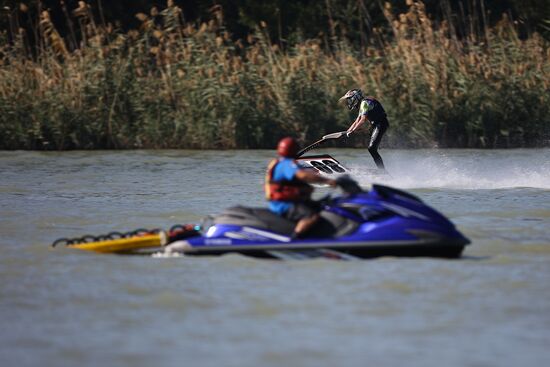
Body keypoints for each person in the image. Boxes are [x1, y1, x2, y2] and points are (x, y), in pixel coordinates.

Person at [265, 137, 337, 238]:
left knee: (324, 206)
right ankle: (294, 241)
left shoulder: (281, 163)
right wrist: (328, 180)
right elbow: (303, 175)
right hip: (284, 205)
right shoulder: (287, 164)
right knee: (311, 216)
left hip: (290, 201)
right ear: (295, 150)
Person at [339, 89, 389, 170]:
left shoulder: (364, 103)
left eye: (350, 99)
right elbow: (357, 121)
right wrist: (347, 132)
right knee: (372, 148)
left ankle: (382, 170)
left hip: (381, 124)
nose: (349, 102)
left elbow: (362, 120)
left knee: (372, 149)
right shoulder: (363, 104)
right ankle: (382, 169)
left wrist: (352, 131)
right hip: (376, 125)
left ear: (355, 98)